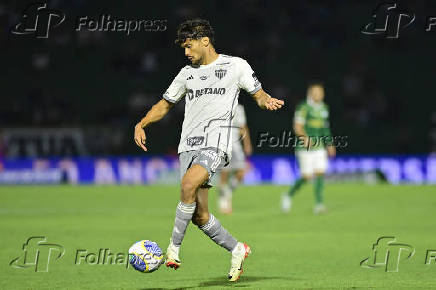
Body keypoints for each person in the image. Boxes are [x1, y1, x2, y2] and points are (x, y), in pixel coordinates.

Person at [134, 19, 284, 281]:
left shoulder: (236, 66)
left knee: (188, 184)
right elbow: (165, 104)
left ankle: (173, 249)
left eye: (189, 46)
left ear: (205, 41)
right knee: (200, 216)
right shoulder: (186, 74)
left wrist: (266, 100)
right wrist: (142, 122)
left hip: (216, 144)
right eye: (184, 48)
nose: (186, 53)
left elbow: (258, 94)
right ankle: (237, 249)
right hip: (187, 146)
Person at [281, 82, 336, 214]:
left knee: (320, 172)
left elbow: (325, 128)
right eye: (316, 92)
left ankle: (319, 205)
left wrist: (330, 143)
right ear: (311, 94)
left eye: (321, 92)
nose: (319, 95)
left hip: (319, 146)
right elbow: (297, 126)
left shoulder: (324, 108)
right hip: (303, 147)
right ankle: (288, 195)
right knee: (306, 176)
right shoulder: (304, 107)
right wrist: (304, 138)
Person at [217, 104, 252, 214]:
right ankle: (223, 202)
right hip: (222, 146)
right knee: (224, 174)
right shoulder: (218, 105)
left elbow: (243, 127)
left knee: (241, 172)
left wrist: (247, 143)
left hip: (236, 147)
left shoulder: (239, 108)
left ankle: (227, 192)